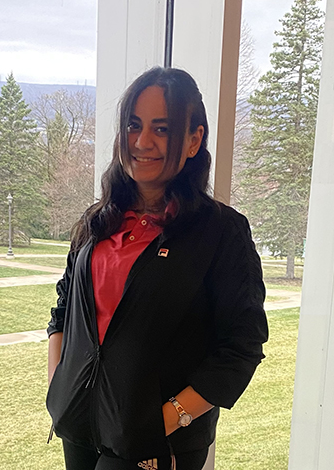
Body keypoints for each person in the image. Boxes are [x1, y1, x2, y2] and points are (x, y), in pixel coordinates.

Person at [46, 67, 268, 470]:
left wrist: (165, 419)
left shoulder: (221, 232)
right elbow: (64, 310)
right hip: (79, 428)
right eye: (133, 125)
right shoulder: (97, 222)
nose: (142, 142)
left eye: (162, 129)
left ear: (194, 140)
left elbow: (241, 347)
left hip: (155, 445)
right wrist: (58, 386)